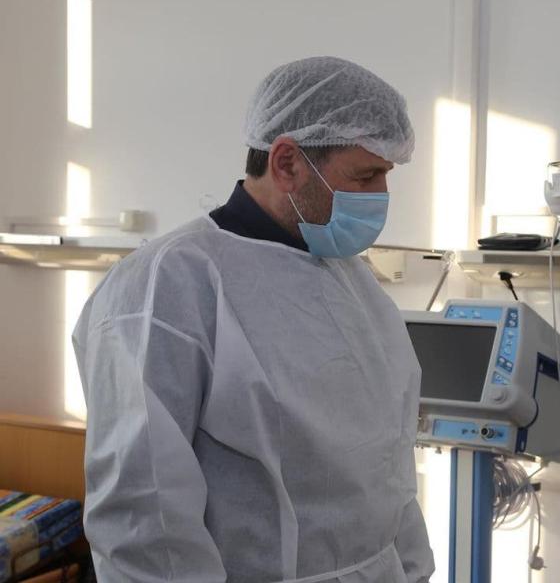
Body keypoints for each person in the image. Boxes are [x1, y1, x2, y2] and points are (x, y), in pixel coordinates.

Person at [73, 56, 434, 583]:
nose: (380, 195)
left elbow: (389, 463)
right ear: (286, 163)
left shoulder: (354, 282)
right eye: (365, 175)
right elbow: (144, 516)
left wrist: (414, 569)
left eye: (385, 175)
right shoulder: (167, 285)